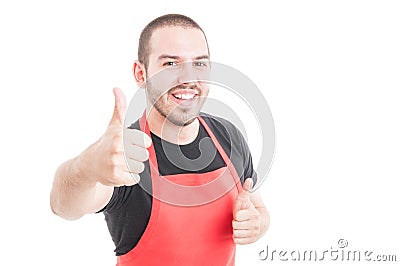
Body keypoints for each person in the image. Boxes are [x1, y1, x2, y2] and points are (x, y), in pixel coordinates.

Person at [50, 14, 270, 266]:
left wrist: (256, 224)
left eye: (199, 64)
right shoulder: (124, 154)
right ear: (141, 74)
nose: (188, 79)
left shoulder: (228, 136)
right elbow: (62, 206)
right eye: (170, 64)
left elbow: (259, 209)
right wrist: (86, 167)